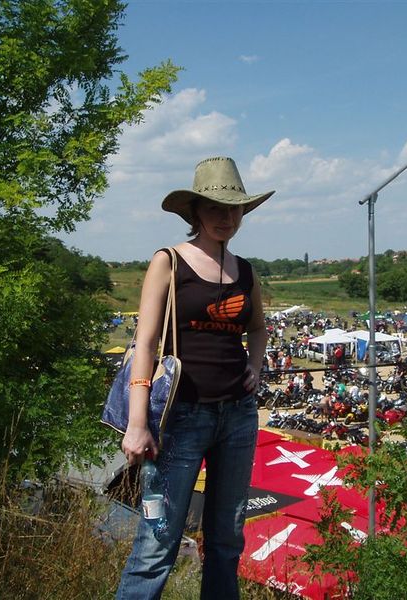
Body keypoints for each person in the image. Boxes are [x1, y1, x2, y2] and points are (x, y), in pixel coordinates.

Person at [117, 157, 272, 600]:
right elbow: (145, 344)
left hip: (238, 417)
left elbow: (258, 328)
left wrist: (254, 366)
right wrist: (137, 423)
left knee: (227, 541)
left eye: (234, 209)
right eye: (215, 208)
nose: (226, 218)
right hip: (181, 417)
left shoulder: (245, 271)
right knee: (157, 543)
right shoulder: (168, 261)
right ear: (196, 212)